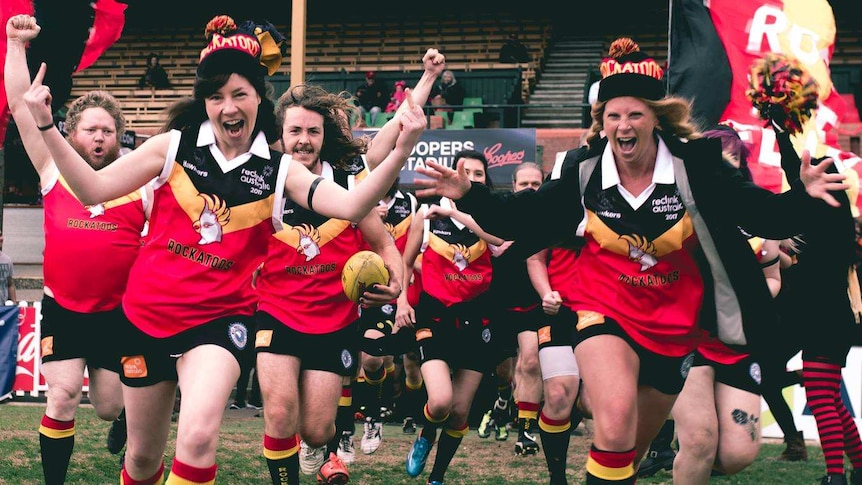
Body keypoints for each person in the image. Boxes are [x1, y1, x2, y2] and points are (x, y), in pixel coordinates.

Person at [412, 36, 848, 484]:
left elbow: (758, 212)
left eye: (635, 114)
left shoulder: (694, 167)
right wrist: (471, 195)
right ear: (601, 122)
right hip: (604, 309)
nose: (624, 125)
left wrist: (805, 198)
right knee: (615, 421)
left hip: (675, 323)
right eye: (613, 115)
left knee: (628, 455)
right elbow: (529, 216)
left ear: (656, 119)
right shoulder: (585, 169)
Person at [21, 12, 425, 484]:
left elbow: (355, 203)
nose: (228, 107)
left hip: (220, 322)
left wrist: (402, 147)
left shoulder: (280, 172)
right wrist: (48, 126)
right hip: (145, 318)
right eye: (216, 97)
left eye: (239, 94)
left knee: (194, 440)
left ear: (259, 98)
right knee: (142, 460)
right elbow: (90, 190)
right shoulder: (171, 147)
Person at [6, 14, 143, 483]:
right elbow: (22, 109)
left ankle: (125, 418)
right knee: (61, 396)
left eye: (107, 130)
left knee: (107, 407)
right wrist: (16, 46)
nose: (99, 137)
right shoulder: (54, 169)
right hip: (63, 308)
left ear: (119, 135)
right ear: (72, 132)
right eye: (90, 129)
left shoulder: (139, 180)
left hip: (119, 315)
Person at [255, 82, 409, 485]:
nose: (303, 141)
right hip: (276, 312)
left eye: (313, 132)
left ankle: (318, 448)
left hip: (334, 320)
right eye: (295, 131)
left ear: (325, 137)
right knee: (279, 413)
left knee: (317, 430)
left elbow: (383, 242)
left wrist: (396, 285)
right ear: (280, 135)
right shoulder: (262, 179)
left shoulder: (347, 182)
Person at [668, 125, 783, 484]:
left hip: (738, 342)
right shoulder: (677, 209)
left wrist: (753, 297)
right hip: (689, 338)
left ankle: (682, 446)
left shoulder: (759, 215)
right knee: (701, 442)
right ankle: (686, 444)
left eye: (728, 164)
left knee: (736, 455)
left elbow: (774, 277)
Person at [398, 149, 502, 485]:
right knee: (441, 402)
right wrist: (402, 302)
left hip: (478, 322)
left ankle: (437, 478)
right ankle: (426, 435)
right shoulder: (426, 216)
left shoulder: (495, 216)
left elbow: (500, 243)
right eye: (464, 171)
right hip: (435, 319)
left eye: (477, 174)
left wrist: (472, 216)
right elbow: (405, 260)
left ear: (485, 181)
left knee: (459, 413)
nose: (469, 178)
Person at [772, 112, 862, 485]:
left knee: (824, 400)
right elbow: (796, 172)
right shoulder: (830, 217)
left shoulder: (831, 218)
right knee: (831, 400)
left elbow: (797, 174)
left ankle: (834, 477)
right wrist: (779, 132)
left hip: (825, 318)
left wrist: (781, 135)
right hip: (826, 317)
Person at [0, 232, 17, 303]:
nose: (1, 238)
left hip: (3, 310)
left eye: (1, 235)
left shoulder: (7, 260)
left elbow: (10, 284)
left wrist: (14, 305)